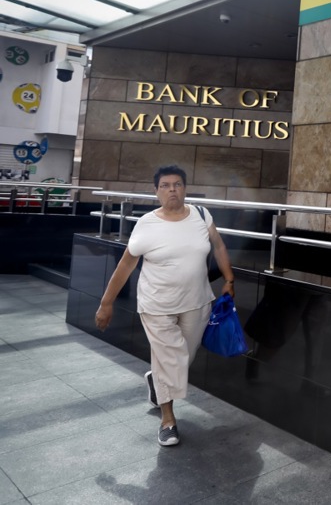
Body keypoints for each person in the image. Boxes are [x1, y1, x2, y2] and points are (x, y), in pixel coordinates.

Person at [94, 165, 235, 447]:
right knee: (171, 359)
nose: (172, 189)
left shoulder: (201, 215)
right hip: (157, 305)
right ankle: (168, 420)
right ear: (156, 191)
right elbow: (126, 264)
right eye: (166, 185)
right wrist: (106, 303)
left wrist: (229, 278)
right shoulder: (146, 224)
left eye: (178, 184)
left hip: (197, 302)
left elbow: (218, 245)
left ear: (185, 188)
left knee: (184, 357)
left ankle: (156, 381)